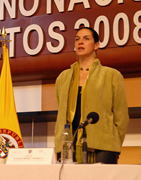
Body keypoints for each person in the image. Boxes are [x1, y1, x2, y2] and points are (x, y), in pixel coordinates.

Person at [54, 27, 129, 164]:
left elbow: (121, 116)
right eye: (77, 39)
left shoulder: (111, 75)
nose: (80, 42)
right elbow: (61, 109)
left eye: (86, 38)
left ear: (96, 45)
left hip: (103, 146)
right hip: (68, 145)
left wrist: (114, 144)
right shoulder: (63, 77)